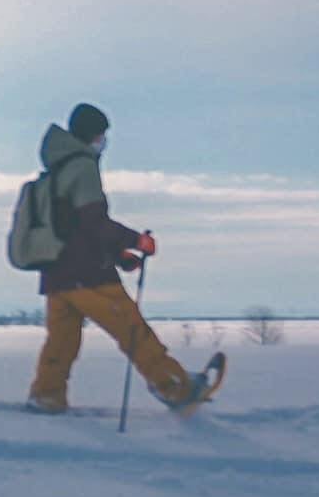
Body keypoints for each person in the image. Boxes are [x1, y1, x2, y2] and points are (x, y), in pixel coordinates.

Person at [26, 103, 202, 413]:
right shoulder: (83, 166)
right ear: (92, 134)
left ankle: (47, 394)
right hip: (89, 274)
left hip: (57, 274)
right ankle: (172, 385)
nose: (104, 141)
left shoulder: (54, 171)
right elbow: (93, 221)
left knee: (61, 344)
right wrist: (137, 241)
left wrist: (119, 255)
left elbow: (74, 228)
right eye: (102, 134)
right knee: (133, 331)